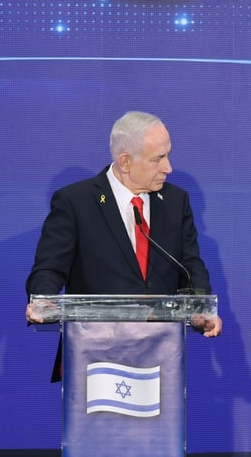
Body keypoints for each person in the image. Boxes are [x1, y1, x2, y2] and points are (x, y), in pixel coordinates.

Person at [26, 111, 223, 340]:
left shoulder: (175, 202)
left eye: (168, 155)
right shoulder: (76, 202)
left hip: (160, 347)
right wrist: (44, 300)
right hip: (93, 346)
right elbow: (49, 268)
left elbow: (189, 264)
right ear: (125, 162)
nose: (168, 167)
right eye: (157, 159)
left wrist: (200, 310)